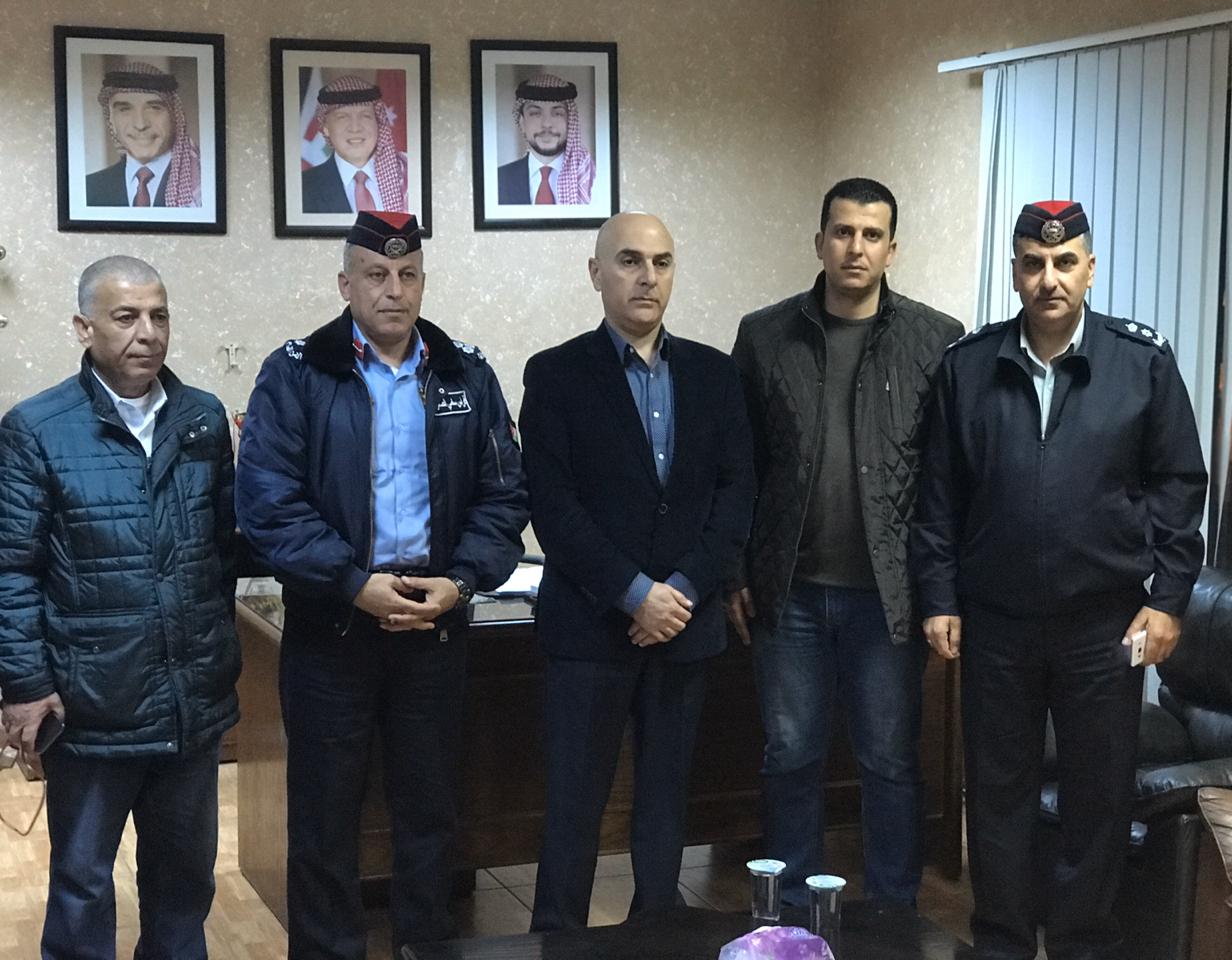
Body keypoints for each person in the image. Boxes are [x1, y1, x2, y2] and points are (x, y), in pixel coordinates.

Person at [911, 200, 1208, 959]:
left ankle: (1083, 945)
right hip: (996, 621)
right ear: (1015, 271)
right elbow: (938, 496)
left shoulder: (1141, 362)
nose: (1050, 278)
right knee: (998, 795)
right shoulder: (969, 366)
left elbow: (1180, 484)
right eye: (1034, 264)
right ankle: (1002, 942)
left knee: (1097, 798)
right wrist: (939, 596)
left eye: (1065, 262)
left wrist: (1168, 600)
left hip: (1104, 625)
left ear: (1090, 269)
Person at [235, 210, 528, 956]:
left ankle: (425, 946)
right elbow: (267, 504)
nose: (393, 290)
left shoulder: (466, 373)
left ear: (423, 281)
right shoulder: (297, 374)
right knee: (323, 819)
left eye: (407, 275)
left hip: (434, 627)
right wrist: (351, 581)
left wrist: (460, 581)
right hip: (331, 628)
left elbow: (504, 498)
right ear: (346, 283)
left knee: (430, 814)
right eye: (375, 274)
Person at [728, 177, 963, 907]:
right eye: (842, 232)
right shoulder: (765, 336)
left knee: (889, 761)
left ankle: (893, 915)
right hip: (788, 592)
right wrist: (735, 570)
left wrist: (942, 591)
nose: (855, 247)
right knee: (790, 754)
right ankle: (792, 915)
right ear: (819, 241)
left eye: (871, 235)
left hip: (887, 600)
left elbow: (946, 478)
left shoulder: (937, 339)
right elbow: (738, 466)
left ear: (892, 249)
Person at [520, 212, 754, 930]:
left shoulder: (715, 374)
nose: (647, 277)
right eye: (629, 261)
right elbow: (553, 507)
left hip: (685, 627)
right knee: (575, 806)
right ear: (597, 274)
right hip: (590, 629)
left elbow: (736, 496)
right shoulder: (555, 374)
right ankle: (557, 939)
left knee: (665, 803)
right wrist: (633, 595)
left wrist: (679, 593)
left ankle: (658, 935)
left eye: (661, 262)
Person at [0, 255, 239, 958]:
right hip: (91, 703)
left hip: (189, 700)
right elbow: (11, 569)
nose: (148, 332)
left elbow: (222, 553)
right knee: (82, 884)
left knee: (184, 881)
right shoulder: (37, 428)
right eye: (126, 316)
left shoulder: (201, 418)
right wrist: (26, 685)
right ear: (84, 327)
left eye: (159, 315)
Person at [85, 62, 202, 207]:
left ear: (174, 117)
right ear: (111, 121)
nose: (140, 125)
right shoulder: (88, 189)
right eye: (125, 109)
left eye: (154, 108)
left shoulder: (202, 184)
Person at [301, 75, 409, 214]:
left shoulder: (407, 176)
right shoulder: (304, 188)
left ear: (378, 123)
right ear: (325, 127)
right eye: (342, 117)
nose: (355, 128)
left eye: (365, 116)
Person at [496, 73, 595, 205]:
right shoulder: (498, 179)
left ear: (570, 121)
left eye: (557, 113)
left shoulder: (590, 179)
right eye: (535, 113)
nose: (547, 124)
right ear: (522, 123)